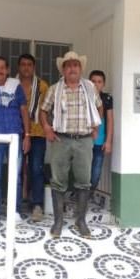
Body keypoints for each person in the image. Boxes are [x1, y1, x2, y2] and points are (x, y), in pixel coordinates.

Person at [40, 51, 102, 238]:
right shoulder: (54, 89)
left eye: (75, 65)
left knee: (84, 181)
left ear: (80, 68)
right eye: (69, 65)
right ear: (63, 70)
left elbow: (99, 106)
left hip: (84, 140)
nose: (72, 68)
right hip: (61, 140)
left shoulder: (90, 87)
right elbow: (43, 111)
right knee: (58, 181)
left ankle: (81, 221)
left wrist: (96, 127)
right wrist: (47, 129)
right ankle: (58, 222)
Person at [0, 56, 30, 221]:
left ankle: (14, 209)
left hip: (15, 135)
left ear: (8, 70)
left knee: (15, 175)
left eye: (2, 67)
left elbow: (24, 111)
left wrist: (27, 135)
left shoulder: (16, 86)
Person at [17, 53, 50, 222]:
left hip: (37, 133)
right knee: (16, 168)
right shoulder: (12, 85)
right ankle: (15, 204)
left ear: (34, 67)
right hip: (17, 131)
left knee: (36, 169)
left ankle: (37, 204)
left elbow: (45, 109)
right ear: (18, 67)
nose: (26, 67)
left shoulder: (43, 86)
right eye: (23, 64)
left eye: (29, 64)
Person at [89, 70, 114, 191]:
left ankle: (88, 195)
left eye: (99, 82)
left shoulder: (107, 98)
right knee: (82, 172)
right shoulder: (84, 97)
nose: (96, 84)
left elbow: (110, 120)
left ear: (103, 84)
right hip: (84, 142)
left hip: (99, 142)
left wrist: (108, 141)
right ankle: (79, 196)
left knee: (96, 173)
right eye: (93, 81)